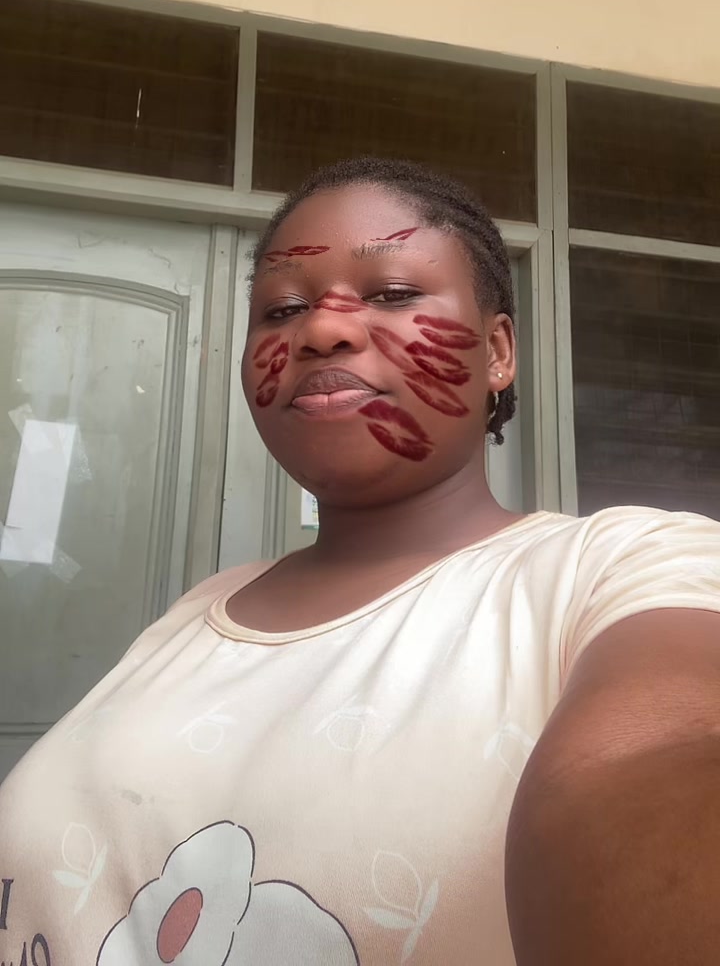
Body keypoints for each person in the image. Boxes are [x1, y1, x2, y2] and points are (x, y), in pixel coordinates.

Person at [1, 155, 719, 966]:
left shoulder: (627, 570)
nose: (321, 330)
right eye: (282, 309)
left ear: (498, 351)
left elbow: (659, 764)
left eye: (393, 293)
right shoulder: (196, 614)